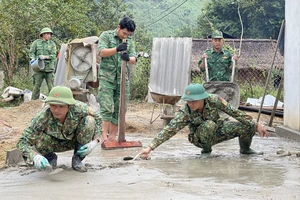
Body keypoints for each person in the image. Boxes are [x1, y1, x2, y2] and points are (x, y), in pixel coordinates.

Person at [139, 83, 269, 159]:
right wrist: (150, 148)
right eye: (188, 101)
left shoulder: (214, 100)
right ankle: (206, 151)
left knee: (248, 124)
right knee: (209, 125)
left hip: (218, 130)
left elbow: (235, 112)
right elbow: (169, 129)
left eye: (194, 101)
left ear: (202, 98)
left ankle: (245, 149)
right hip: (199, 138)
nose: (191, 104)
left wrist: (256, 124)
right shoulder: (186, 112)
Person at [16, 86, 102, 172]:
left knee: (90, 121)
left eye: (61, 106)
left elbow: (97, 118)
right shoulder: (42, 117)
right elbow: (22, 142)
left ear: (69, 106)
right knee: (38, 137)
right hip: (52, 144)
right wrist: (34, 157)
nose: (56, 110)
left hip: (75, 141)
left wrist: (95, 141)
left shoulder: (79, 108)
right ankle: (50, 158)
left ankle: (77, 159)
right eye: (53, 105)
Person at [97, 17, 137, 144]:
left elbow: (134, 58)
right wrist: (117, 49)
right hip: (107, 78)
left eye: (128, 34)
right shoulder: (106, 36)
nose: (125, 36)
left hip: (122, 79)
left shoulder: (129, 41)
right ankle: (104, 139)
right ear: (118, 27)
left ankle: (112, 138)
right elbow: (101, 52)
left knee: (120, 109)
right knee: (107, 108)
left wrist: (127, 58)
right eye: (124, 33)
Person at [29, 27, 57, 100]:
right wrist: (32, 59)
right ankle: (33, 103)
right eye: (47, 34)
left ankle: (53, 101)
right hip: (38, 69)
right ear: (43, 34)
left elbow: (54, 56)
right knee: (36, 87)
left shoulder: (52, 44)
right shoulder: (36, 43)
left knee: (51, 87)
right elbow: (31, 52)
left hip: (49, 69)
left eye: (50, 34)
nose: (49, 35)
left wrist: (44, 57)